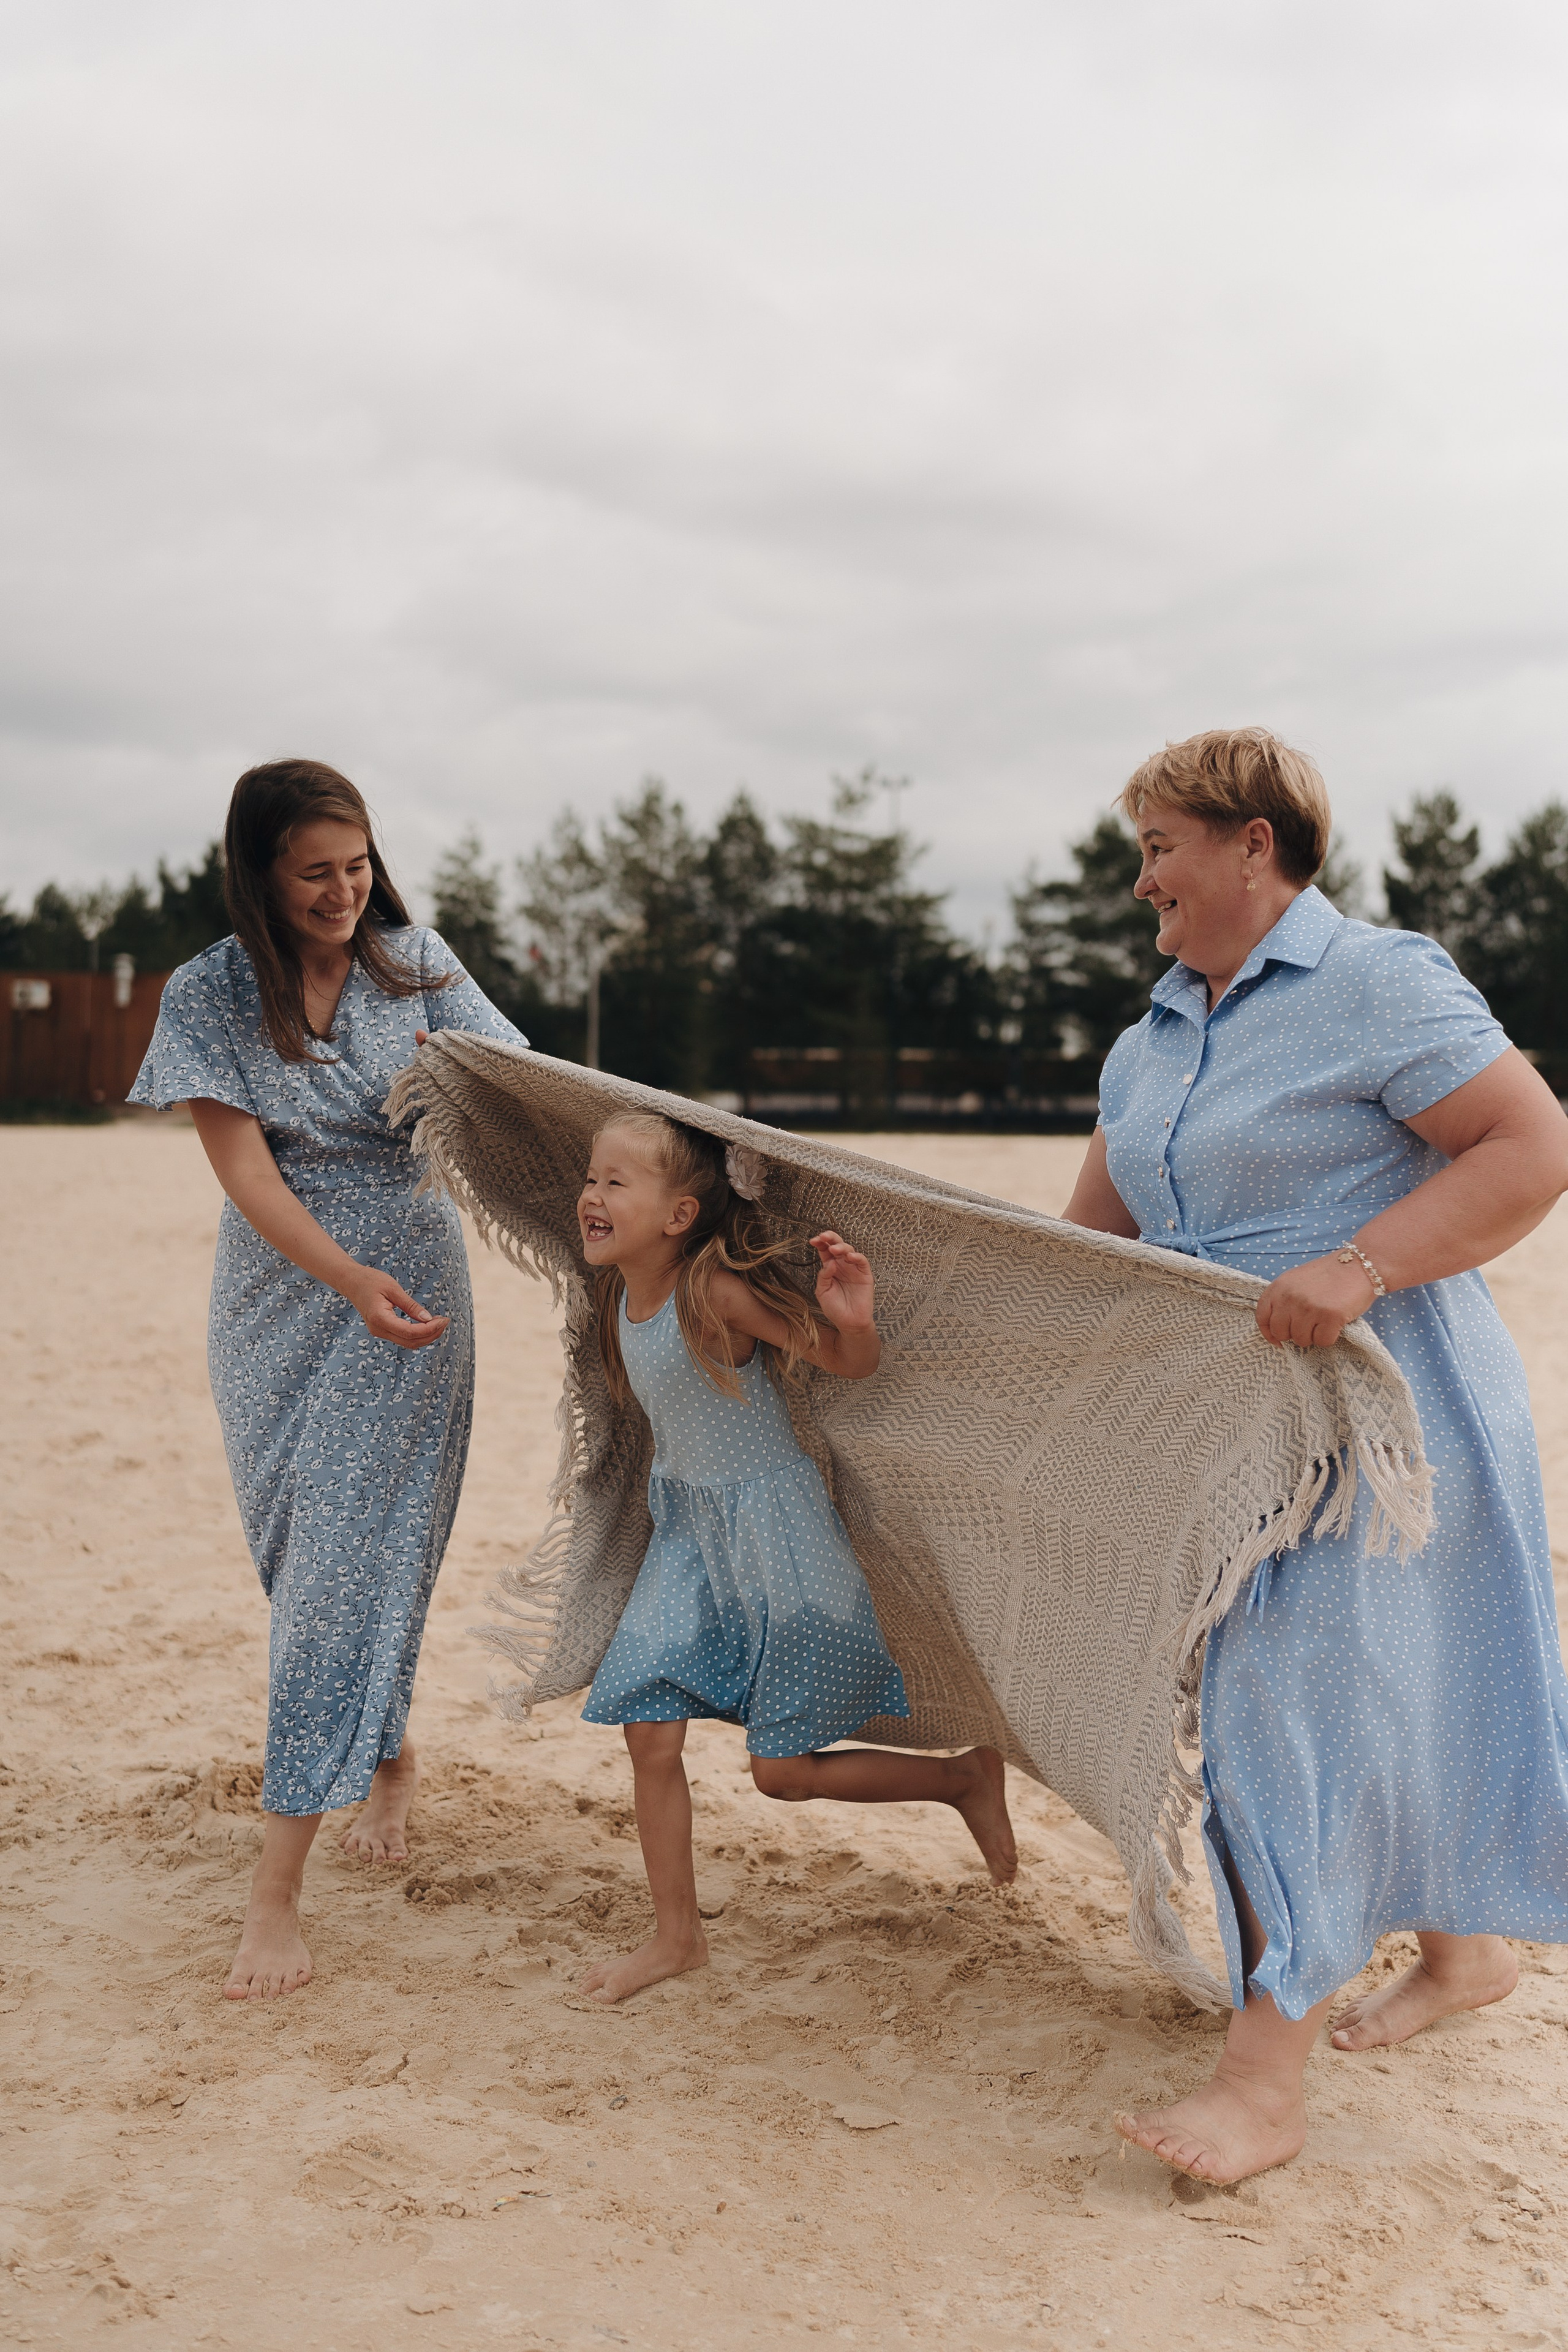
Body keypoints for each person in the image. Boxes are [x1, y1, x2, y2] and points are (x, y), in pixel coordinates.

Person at [1057, 727, 1568, 2184]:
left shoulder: (1377, 981)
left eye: (1158, 844)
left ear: (1250, 846)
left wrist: (1356, 1261)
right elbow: (1085, 1250)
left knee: (1282, 1712)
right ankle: (1462, 1955)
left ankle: (1260, 2082)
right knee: (1330, 1697)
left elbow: (1526, 1150)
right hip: (1230, 1436)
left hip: (1386, 1419)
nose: (1139, 874)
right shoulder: (1149, 1034)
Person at [128, 758, 526, 2000]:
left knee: (350, 1558)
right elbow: (246, 1175)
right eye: (314, 874)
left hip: (408, 1293)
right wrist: (338, 1276)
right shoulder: (208, 992)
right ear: (257, 874)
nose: (344, 892)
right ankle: (385, 1743)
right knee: (301, 1552)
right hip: (279, 1292)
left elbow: (523, 1085)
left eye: (356, 867)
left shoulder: (415, 965)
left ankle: (274, 1896)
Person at [571, 1111, 1017, 2003]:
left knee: (781, 1775)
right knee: (648, 1733)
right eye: (590, 1177)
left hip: (778, 1543)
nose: (591, 1194)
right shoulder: (622, 1295)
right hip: (692, 1538)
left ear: (679, 1214)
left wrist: (851, 1320)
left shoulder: (714, 1292)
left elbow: (846, 1364)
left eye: (616, 1182)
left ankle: (963, 1778)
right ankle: (676, 1939)